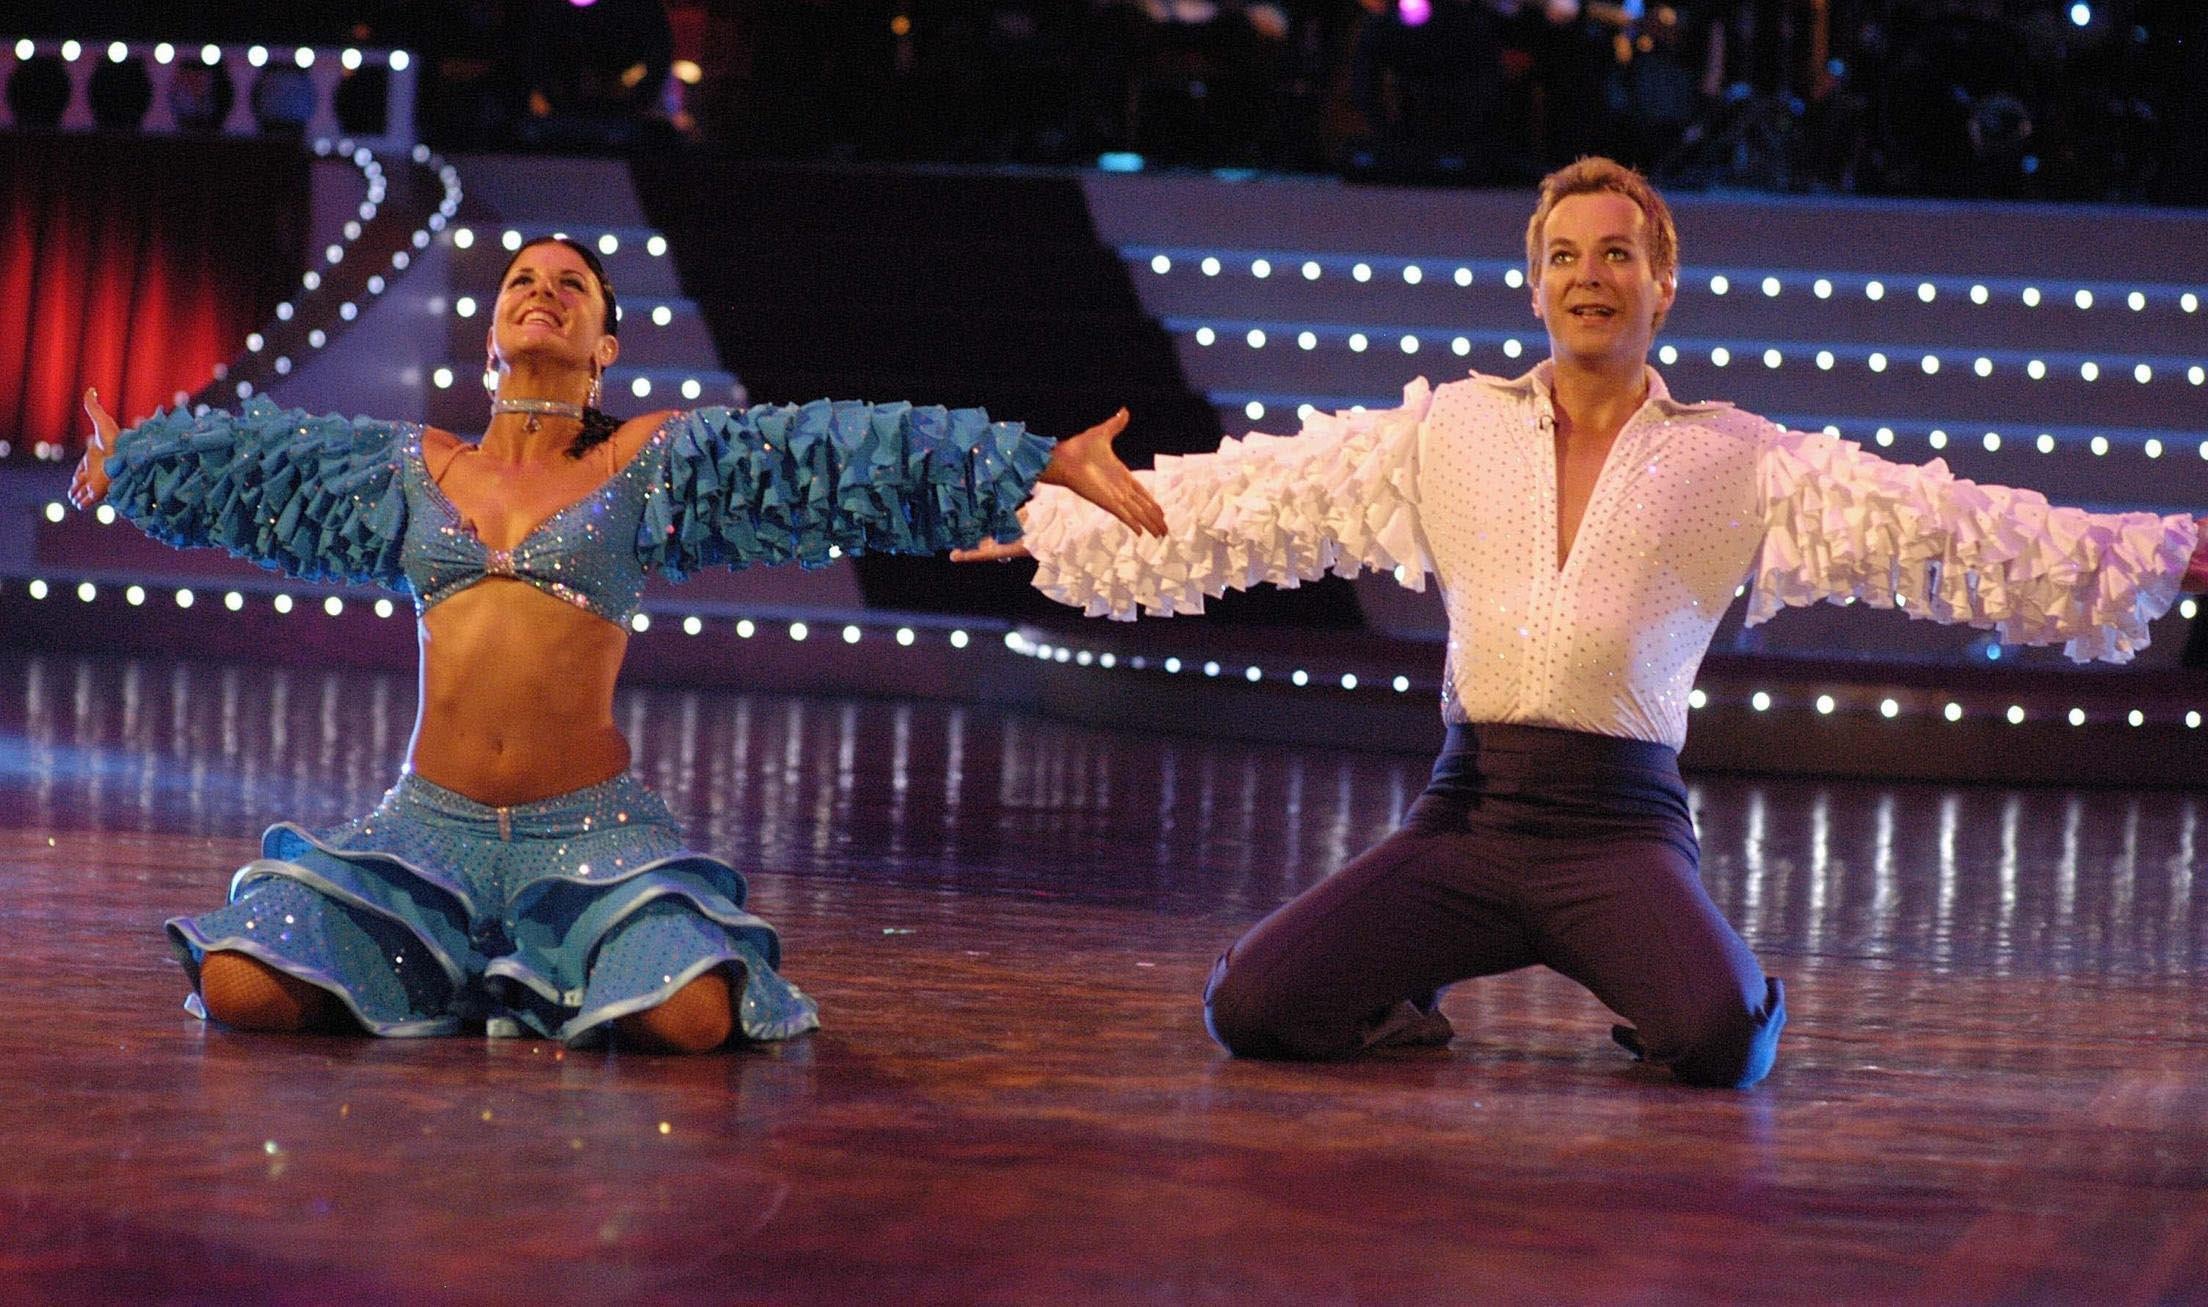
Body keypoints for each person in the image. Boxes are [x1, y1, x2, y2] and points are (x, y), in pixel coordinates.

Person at [963, 157, 2208, 1087]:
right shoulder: (1451, 425)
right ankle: (1412, 987)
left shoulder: (1734, 455)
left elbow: (1945, 528)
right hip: (1466, 818)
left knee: (1718, 1042)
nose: (1588, 276)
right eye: (1564, 254)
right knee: (1253, 1007)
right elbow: (1254, 498)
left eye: (1616, 254)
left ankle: (1686, 972)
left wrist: (2159, 550)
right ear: (1534, 281)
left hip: (1619, 830)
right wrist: (1047, 516)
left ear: (1662, 282)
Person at [71, 235, 1165, 1054]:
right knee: (238, 986)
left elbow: (832, 453)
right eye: (520, 283)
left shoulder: (647, 461)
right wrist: (142, 461)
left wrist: (1026, 459)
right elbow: (263, 466)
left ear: (604, 344)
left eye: (570, 285)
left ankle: (502, 971)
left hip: (589, 839)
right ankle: (473, 965)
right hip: (425, 833)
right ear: (492, 337)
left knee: (690, 1019)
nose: (541, 292)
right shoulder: (415, 464)